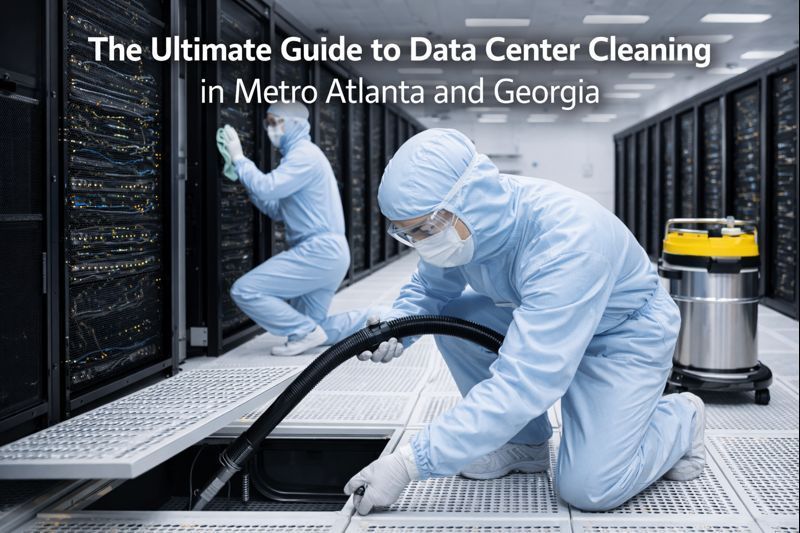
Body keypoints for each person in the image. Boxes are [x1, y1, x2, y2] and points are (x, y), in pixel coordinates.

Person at [343, 128, 706, 514]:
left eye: (424, 229)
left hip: (622, 335)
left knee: (590, 489)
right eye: (408, 233)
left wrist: (409, 463)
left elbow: (526, 381)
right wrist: (399, 325)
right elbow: (431, 291)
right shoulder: (468, 224)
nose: (421, 241)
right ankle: (524, 443)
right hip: (544, 319)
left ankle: (681, 417)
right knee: (451, 319)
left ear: (464, 203)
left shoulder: (567, 239)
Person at [219, 102, 368, 356]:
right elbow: (277, 208)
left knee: (246, 290)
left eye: (276, 122)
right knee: (310, 328)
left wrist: (239, 159)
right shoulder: (301, 156)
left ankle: (309, 330)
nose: (270, 128)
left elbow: (268, 187)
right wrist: (246, 180)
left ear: (296, 124)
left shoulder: (304, 155)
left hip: (318, 251)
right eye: (268, 123)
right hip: (329, 253)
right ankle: (370, 322)